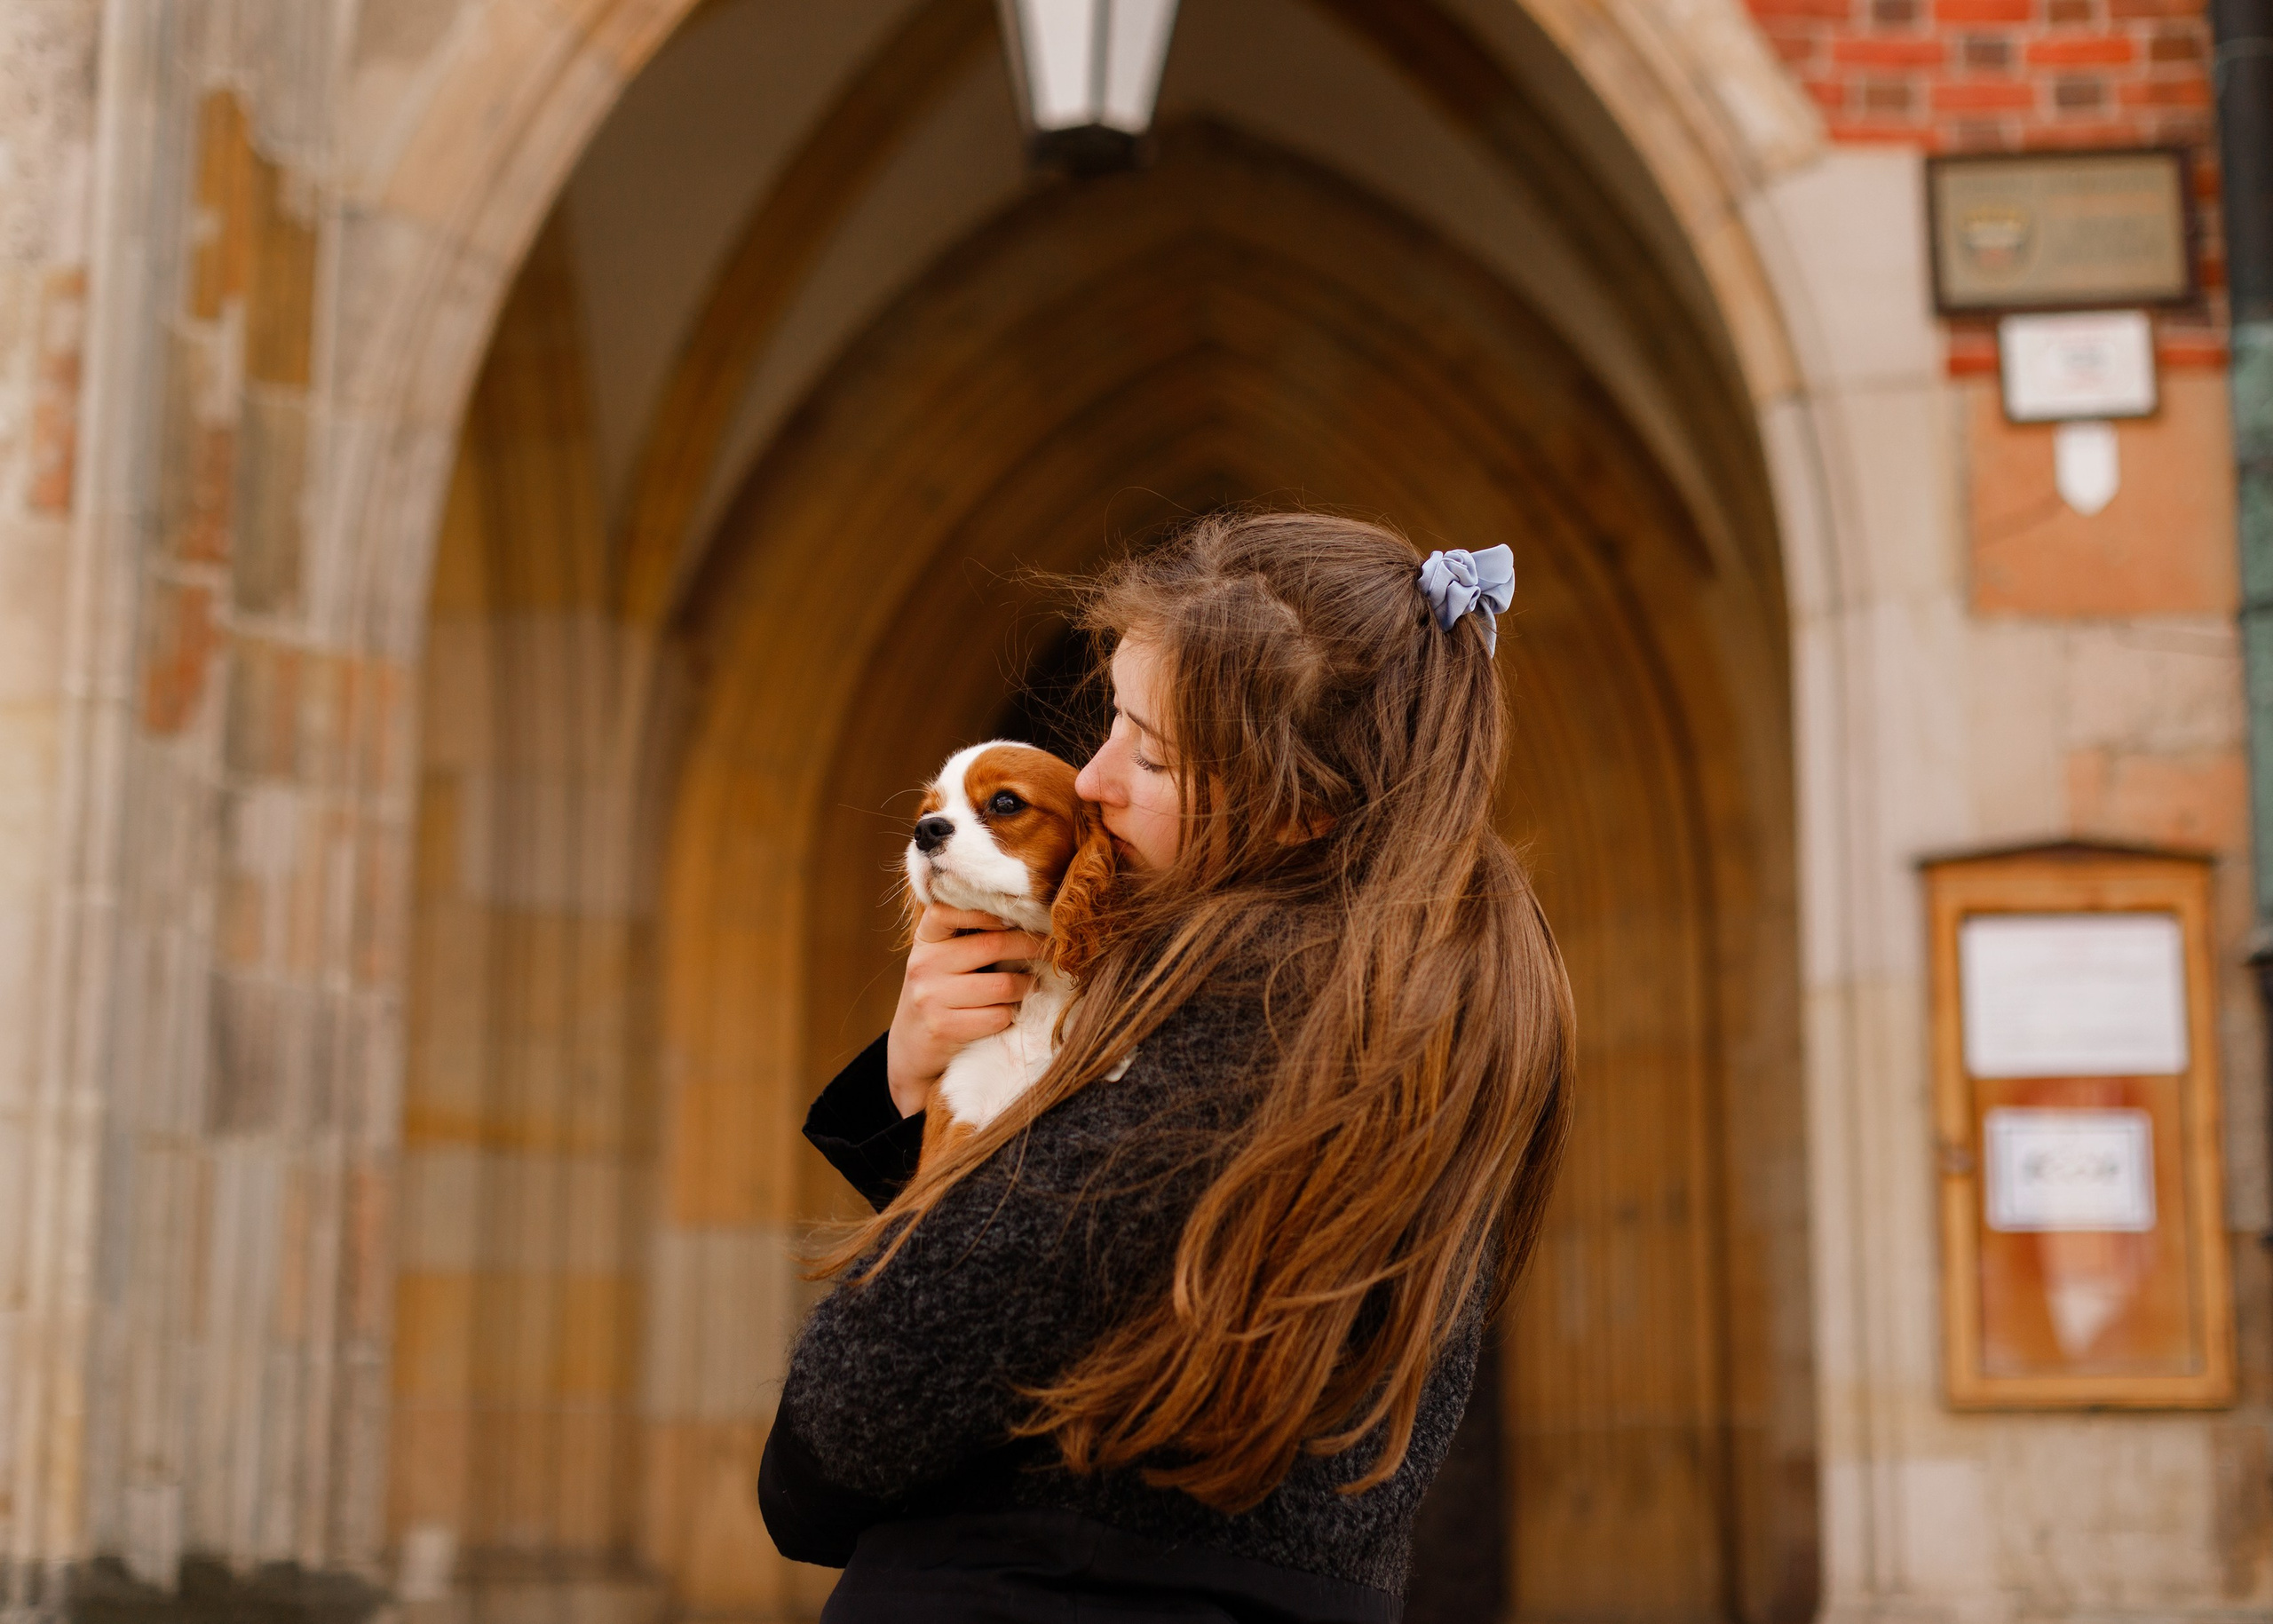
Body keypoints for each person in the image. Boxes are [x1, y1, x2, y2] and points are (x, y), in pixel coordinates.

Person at [759, 511, 1574, 1621]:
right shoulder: (1412, 1007)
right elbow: (1048, 1305)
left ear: (1301, 811)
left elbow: (838, 1438)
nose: (1090, 779)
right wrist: (922, 1088)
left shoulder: (1222, 1049)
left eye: (1148, 752)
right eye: (1107, 725)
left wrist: (929, 1109)